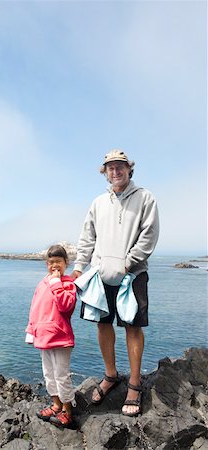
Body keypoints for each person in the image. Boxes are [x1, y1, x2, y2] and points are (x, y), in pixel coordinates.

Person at [71, 149, 159, 417]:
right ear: (105, 172)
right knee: (103, 324)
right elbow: (87, 238)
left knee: (132, 327)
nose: (115, 171)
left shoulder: (145, 198)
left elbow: (149, 234)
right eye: (110, 167)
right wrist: (78, 267)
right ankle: (110, 375)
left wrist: (128, 263)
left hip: (132, 274)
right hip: (100, 274)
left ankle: (134, 384)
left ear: (129, 169)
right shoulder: (98, 202)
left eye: (120, 166)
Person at [25, 244, 77, 428]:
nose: (55, 265)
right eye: (51, 262)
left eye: (59, 262)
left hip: (61, 338)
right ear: (47, 264)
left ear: (66, 263)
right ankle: (56, 404)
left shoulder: (68, 283)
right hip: (43, 337)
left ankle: (67, 410)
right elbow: (35, 308)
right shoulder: (41, 283)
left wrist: (56, 283)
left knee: (62, 375)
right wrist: (31, 330)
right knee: (49, 374)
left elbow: (66, 306)